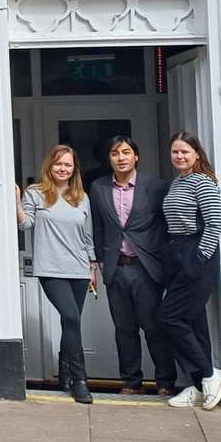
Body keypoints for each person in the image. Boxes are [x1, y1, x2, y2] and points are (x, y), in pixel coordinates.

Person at [88, 135, 175, 396]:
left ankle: (165, 381)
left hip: (146, 268)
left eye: (126, 152)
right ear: (109, 159)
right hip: (116, 268)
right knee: (124, 328)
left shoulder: (155, 187)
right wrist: (99, 262)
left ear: (136, 156)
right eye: (115, 153)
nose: (121, 158)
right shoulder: (99, 188)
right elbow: (98, 227)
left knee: (153, 326)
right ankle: (131, 382)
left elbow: (166, 225)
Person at [15, 144, 98, 404]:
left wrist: (92, 266)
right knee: (71, 316)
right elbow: (25, 223)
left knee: (70, 322)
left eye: (68, 165)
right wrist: (16, 200)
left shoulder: (81, 196)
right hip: (50, 268)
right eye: (58, 164)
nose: (62, 169)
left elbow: (88, 236)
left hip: (79, 268)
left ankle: (64, 373)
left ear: (74, 169)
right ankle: (80, 380)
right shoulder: (36, 193)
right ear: (49, 166)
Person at [158, 131, 221, 410]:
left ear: (197, 154)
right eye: (175, 152)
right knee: (194, 322)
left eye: (185, 151)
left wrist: (198, 258)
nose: (179, 156)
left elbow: (213, 224)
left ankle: (210, 374)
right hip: (176, 252)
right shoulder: (178, 183)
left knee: (169, 317)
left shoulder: (203, 182)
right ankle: (199, 385)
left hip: (196, 254)